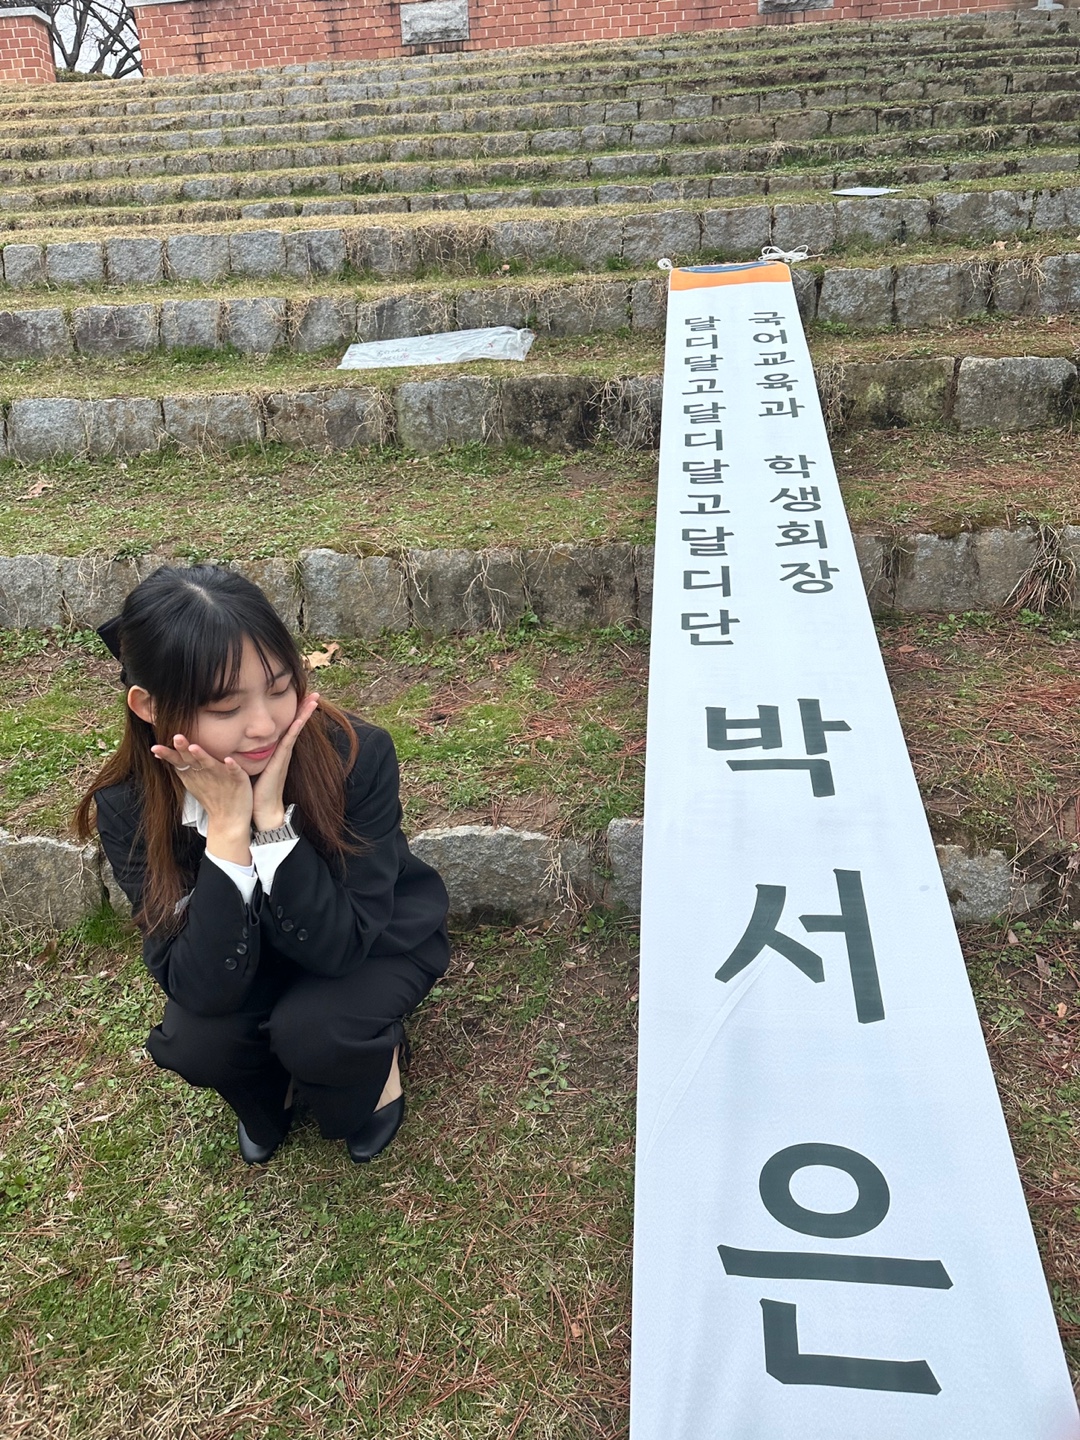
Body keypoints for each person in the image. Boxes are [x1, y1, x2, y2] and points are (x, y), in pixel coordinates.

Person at [75, 564, 450, 1166]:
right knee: (197, 1042)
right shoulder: (129, 806)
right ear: (148, 706)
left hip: (368, 939)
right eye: (225, 706)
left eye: (279, 688)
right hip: (239, 956)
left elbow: (343, 947)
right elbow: (198, 986)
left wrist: (271, 822)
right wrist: (227, 830)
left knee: (317, 1030)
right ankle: (269, 1095)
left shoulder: (356, 756)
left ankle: (374, 1066)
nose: (264, 724)